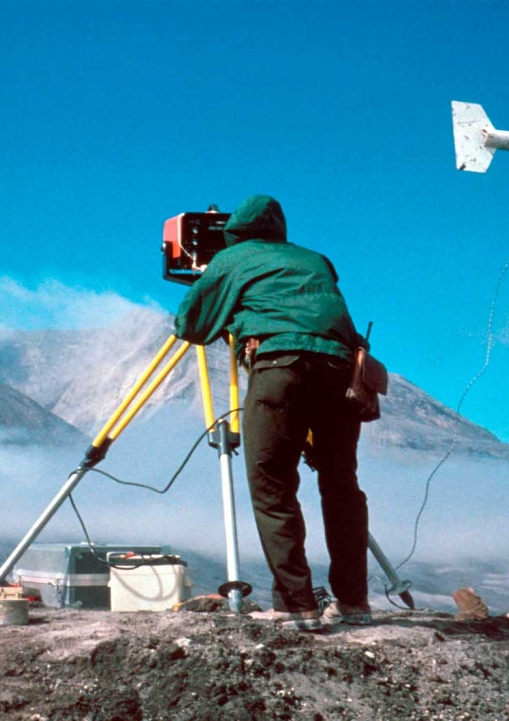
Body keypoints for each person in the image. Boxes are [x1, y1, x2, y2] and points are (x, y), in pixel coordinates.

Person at [172, 194, 372, 631]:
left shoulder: (234, 258)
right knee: (341, 485)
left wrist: (214, 285)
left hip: (282, 368)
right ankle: (354, 602)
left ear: (236, 233)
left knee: (272, 484)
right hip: (341, 374)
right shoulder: (316, 260)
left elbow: (191, 326)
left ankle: (296, 604)